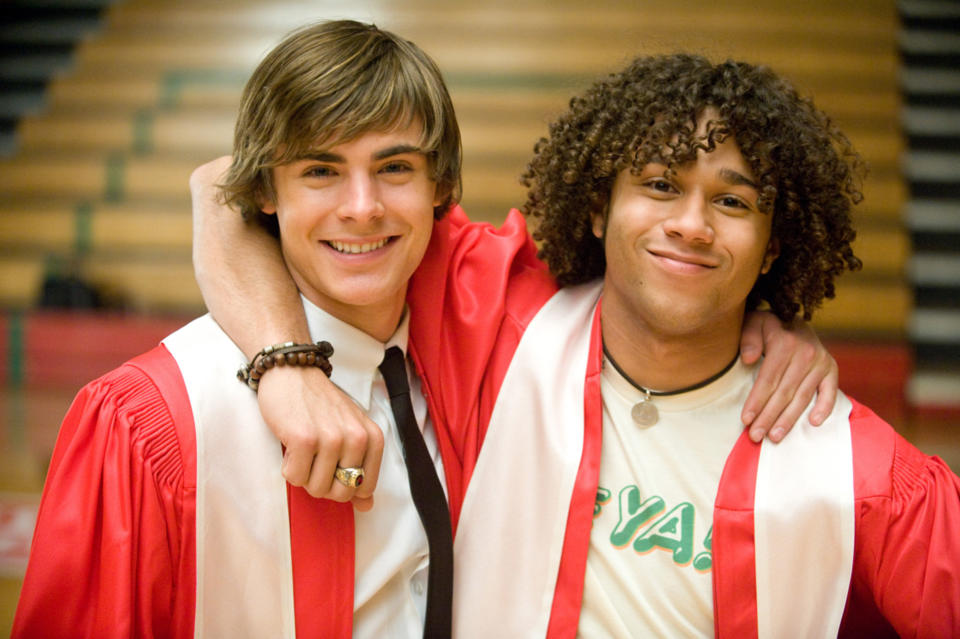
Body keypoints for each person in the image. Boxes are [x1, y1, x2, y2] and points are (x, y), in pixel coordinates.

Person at [193, 52, 960, 637]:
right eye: (660, 184)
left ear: (772, 244)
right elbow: (230, 186)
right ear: (599, 206)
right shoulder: (494, 312)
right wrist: (284, 364)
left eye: (731, 201)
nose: (692, 223)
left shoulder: (850, 464)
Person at [14, 20, 464, 638]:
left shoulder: (481, 345)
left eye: (394, 167)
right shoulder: (152, 419)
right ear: (265, 192)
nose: (362, 206)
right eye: (320, 171)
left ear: (440, 186)